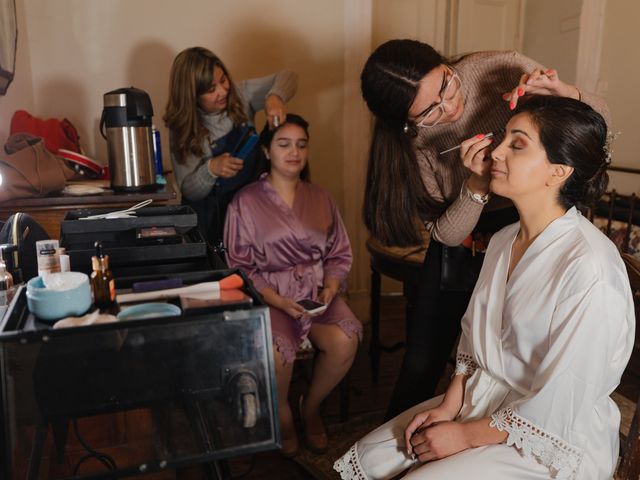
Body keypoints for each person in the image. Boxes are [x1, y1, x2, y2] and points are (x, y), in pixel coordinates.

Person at [334, 95, 634, 480]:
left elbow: (562, 399)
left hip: (551, 433)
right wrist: (448, 407)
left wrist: (465, 436)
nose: (497, 151)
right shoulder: (503, 239)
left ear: (558, 172)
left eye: (517, 144)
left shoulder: (589, 266)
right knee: (370, 457)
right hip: (484, 399)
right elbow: (473, 341)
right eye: (503, 138)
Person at [360, 39, 610, 419]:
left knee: (520, 352)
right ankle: (409, 437)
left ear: (446, 64)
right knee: (422, 359)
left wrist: (565, 93)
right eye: (429, 111)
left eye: (446, 85)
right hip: (465, 234)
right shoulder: (411, 146)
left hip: (531, 223)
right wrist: (475, 185)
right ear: (407, 123)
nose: (449, 107)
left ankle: (498, 434)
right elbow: (444, 234)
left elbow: (591, 130)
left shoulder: (500, 68)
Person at [224, 114, 362, 456]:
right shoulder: (245, 201)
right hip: (270, 295)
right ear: (268, 151)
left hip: (316, 291)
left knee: (346, 339)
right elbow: (239, 265)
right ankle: (283, 418)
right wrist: (278, 300)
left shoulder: (321, 197)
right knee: (276, 355)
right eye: (284, 144)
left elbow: (339, 252)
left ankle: (310, 406)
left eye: (301, 145)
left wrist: (331, 285)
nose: (294, 152)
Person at [164, 46, 298, 244]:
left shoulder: (241, 96)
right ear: (192, 95)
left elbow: (289, 76)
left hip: (250, 216)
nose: (223, 90)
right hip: (209, 225)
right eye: (211, 89)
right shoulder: (182, 128)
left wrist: (274, 97)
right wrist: (211, 170)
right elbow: (188, 189)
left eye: (223, 79)